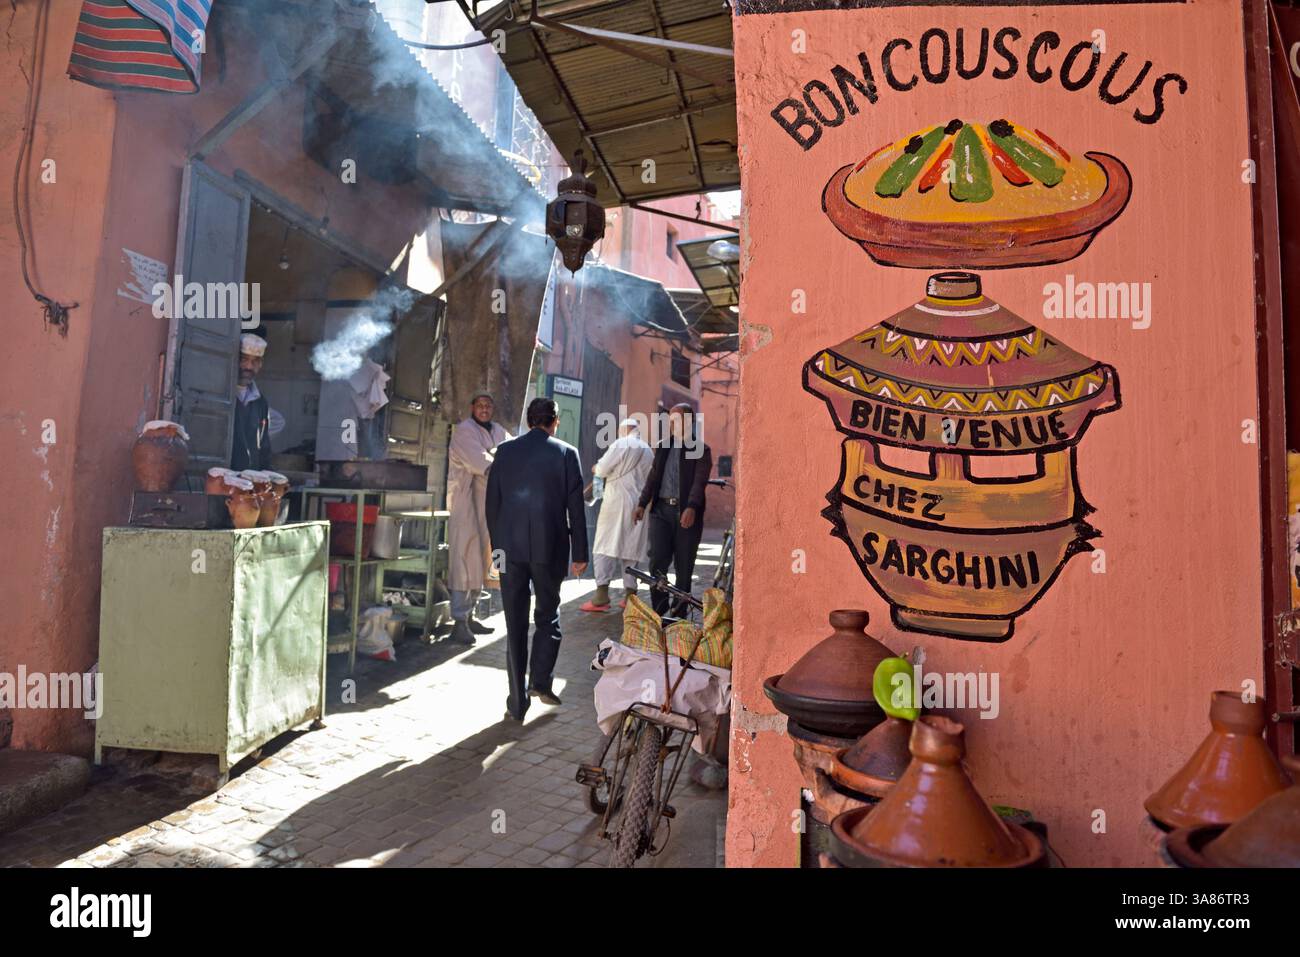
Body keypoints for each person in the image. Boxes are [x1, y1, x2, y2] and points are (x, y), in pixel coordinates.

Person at [486, 397, 588, 721]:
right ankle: (540, 681)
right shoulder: (566, 454)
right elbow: (576, 510)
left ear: (530, 420)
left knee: (514, 623)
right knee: (548, 617)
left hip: (509, 552)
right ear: (554, 421)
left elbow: (492, 507)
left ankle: (517, 703)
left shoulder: (505, 452)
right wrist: (581, 554)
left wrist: (497, 552)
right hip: (549, 551)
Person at [634, 403, 713, 617]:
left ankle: (678, 617)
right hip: (660, 512)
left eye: (676, 420)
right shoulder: (662, 447)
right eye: (670, 421)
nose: (672, 425)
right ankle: (660, 613)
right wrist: (642, 503)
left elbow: (699, 482)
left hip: (686, 515)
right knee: (657, 561)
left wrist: (691, 507)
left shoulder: (702, 450)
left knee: (684, 568)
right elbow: (653, 477)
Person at [447, 393, 511, 645]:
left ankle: (470, 616)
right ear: (472, 407)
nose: (484, 409)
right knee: (464, 557)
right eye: (480, 405)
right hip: (465, 502)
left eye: (488, 405)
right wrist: (500, 460)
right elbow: (480, 461)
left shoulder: (498, 430)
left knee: (482, 557)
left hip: (488, 501)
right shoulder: (464, 430)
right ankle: (459, 622)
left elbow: (511, 452)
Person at [581, 417, 653, 612]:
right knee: (631, 548)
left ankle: (601, 596)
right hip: (639, 505)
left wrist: (597, 468)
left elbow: (602, 469)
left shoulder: (621, 443)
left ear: (623, 430)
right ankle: (630, 596)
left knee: (604, 546)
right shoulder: (648, 450)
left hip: (616, 502)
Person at [232, 333, 273, 471]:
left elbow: (263, 447)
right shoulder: (220, 394)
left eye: (255, 361)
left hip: (247, 483)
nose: (248, 367)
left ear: (260, 364)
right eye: (244, 359)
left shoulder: (261, 403)